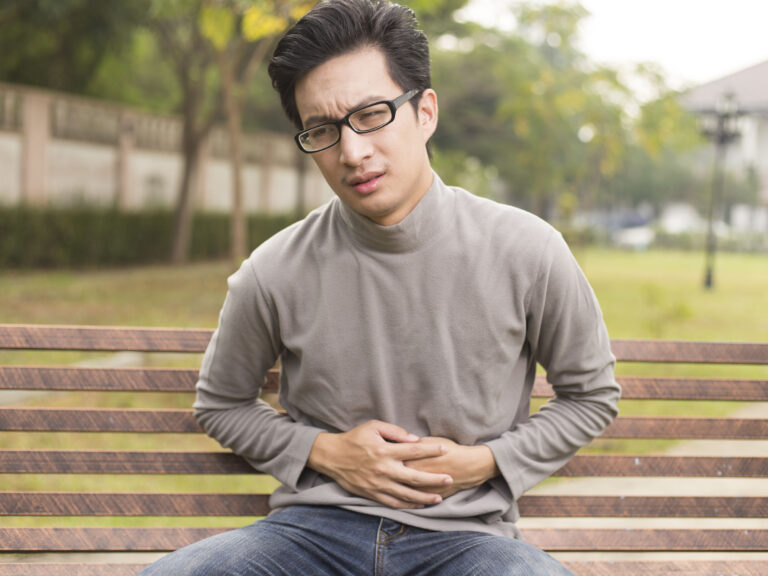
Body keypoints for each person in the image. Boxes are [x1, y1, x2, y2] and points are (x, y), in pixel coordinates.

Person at [140, 0, 620, 574]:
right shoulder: (274, 269)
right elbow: (221, 403)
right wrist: (325, 452)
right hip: (308, 536)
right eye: (321, 129)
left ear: (425, 112)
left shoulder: (527, 249)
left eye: (371, 115)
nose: (352, 152)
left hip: (467, 541)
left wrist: (486, 462)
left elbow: (591, 395)